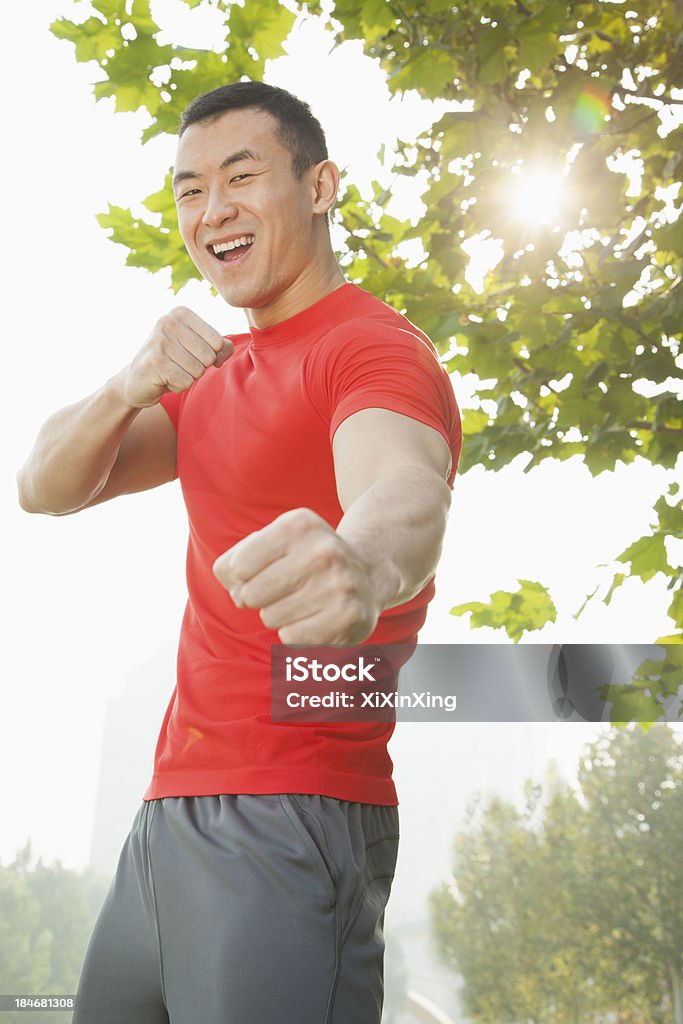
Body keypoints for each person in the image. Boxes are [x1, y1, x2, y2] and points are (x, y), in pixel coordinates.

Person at [17, 81, 462, 1024]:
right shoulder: (211, 375)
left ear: (319, 186)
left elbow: (406, 486)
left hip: (291, 810)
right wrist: (122, 388)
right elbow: (43, 488)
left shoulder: (370, 349)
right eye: (187, 189)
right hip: (168, 813)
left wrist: (362, 563)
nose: (210, 209)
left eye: (240, 175)